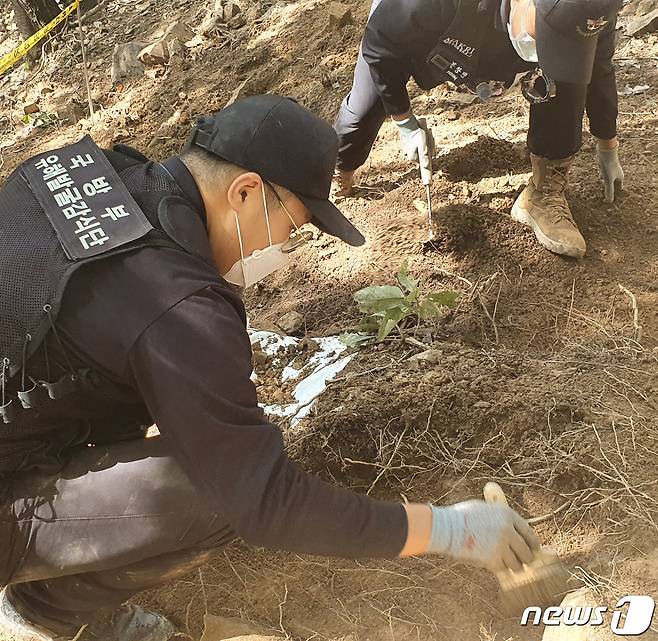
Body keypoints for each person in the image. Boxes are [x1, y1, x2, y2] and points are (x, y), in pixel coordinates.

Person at [0, 95, 540, 641]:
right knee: (217, 495)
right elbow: (265, 503)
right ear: (246, 191)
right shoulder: (177, 305)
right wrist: (450, 529)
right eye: (293, 225)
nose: (283, 245)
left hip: (22, 410)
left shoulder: (75, 174)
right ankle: (37, 618)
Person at [333, 0, 625, 258]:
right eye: (547, 38)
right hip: (427, 32)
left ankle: (543, 194)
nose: (545, 54)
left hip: (494, 48)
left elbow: (598, 69)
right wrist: (405, 121)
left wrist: (607, 142)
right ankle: (339, 173)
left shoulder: (590, 8)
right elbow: (379, 47)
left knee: (569, 80)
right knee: (363, 111)